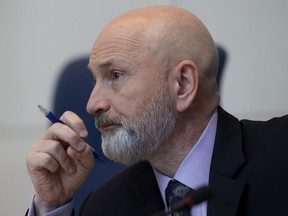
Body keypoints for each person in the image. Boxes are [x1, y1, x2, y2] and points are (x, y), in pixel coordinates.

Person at [26, 5, 288, 216]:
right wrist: (52, 204)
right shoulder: (104, 206)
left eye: (115, 75)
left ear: (183, 84)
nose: (92, 105)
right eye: (94, 81)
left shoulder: (281, 154)